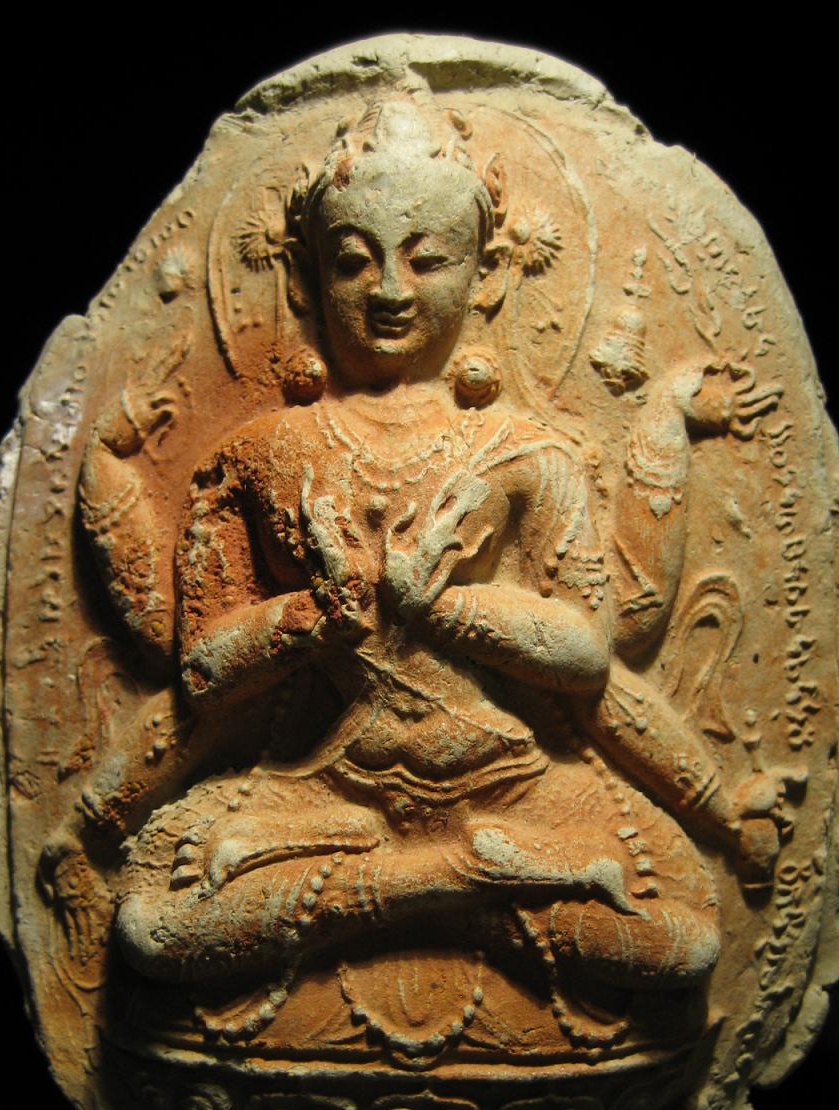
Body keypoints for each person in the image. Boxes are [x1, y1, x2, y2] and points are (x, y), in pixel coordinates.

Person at [63, 100, 793, 1051]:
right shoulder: (257, 457)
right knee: (150, 930)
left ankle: (402, 894)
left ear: (487, 276)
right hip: (324, 786)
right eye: (352, 261)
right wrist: (317, 617)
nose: (389, 291)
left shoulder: (527, 454)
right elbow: (202, 671)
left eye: (428, 259)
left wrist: (436, 605)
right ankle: (457, 886)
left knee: (688, 943)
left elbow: (587, 655)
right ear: (307, 278)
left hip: (516, 781)